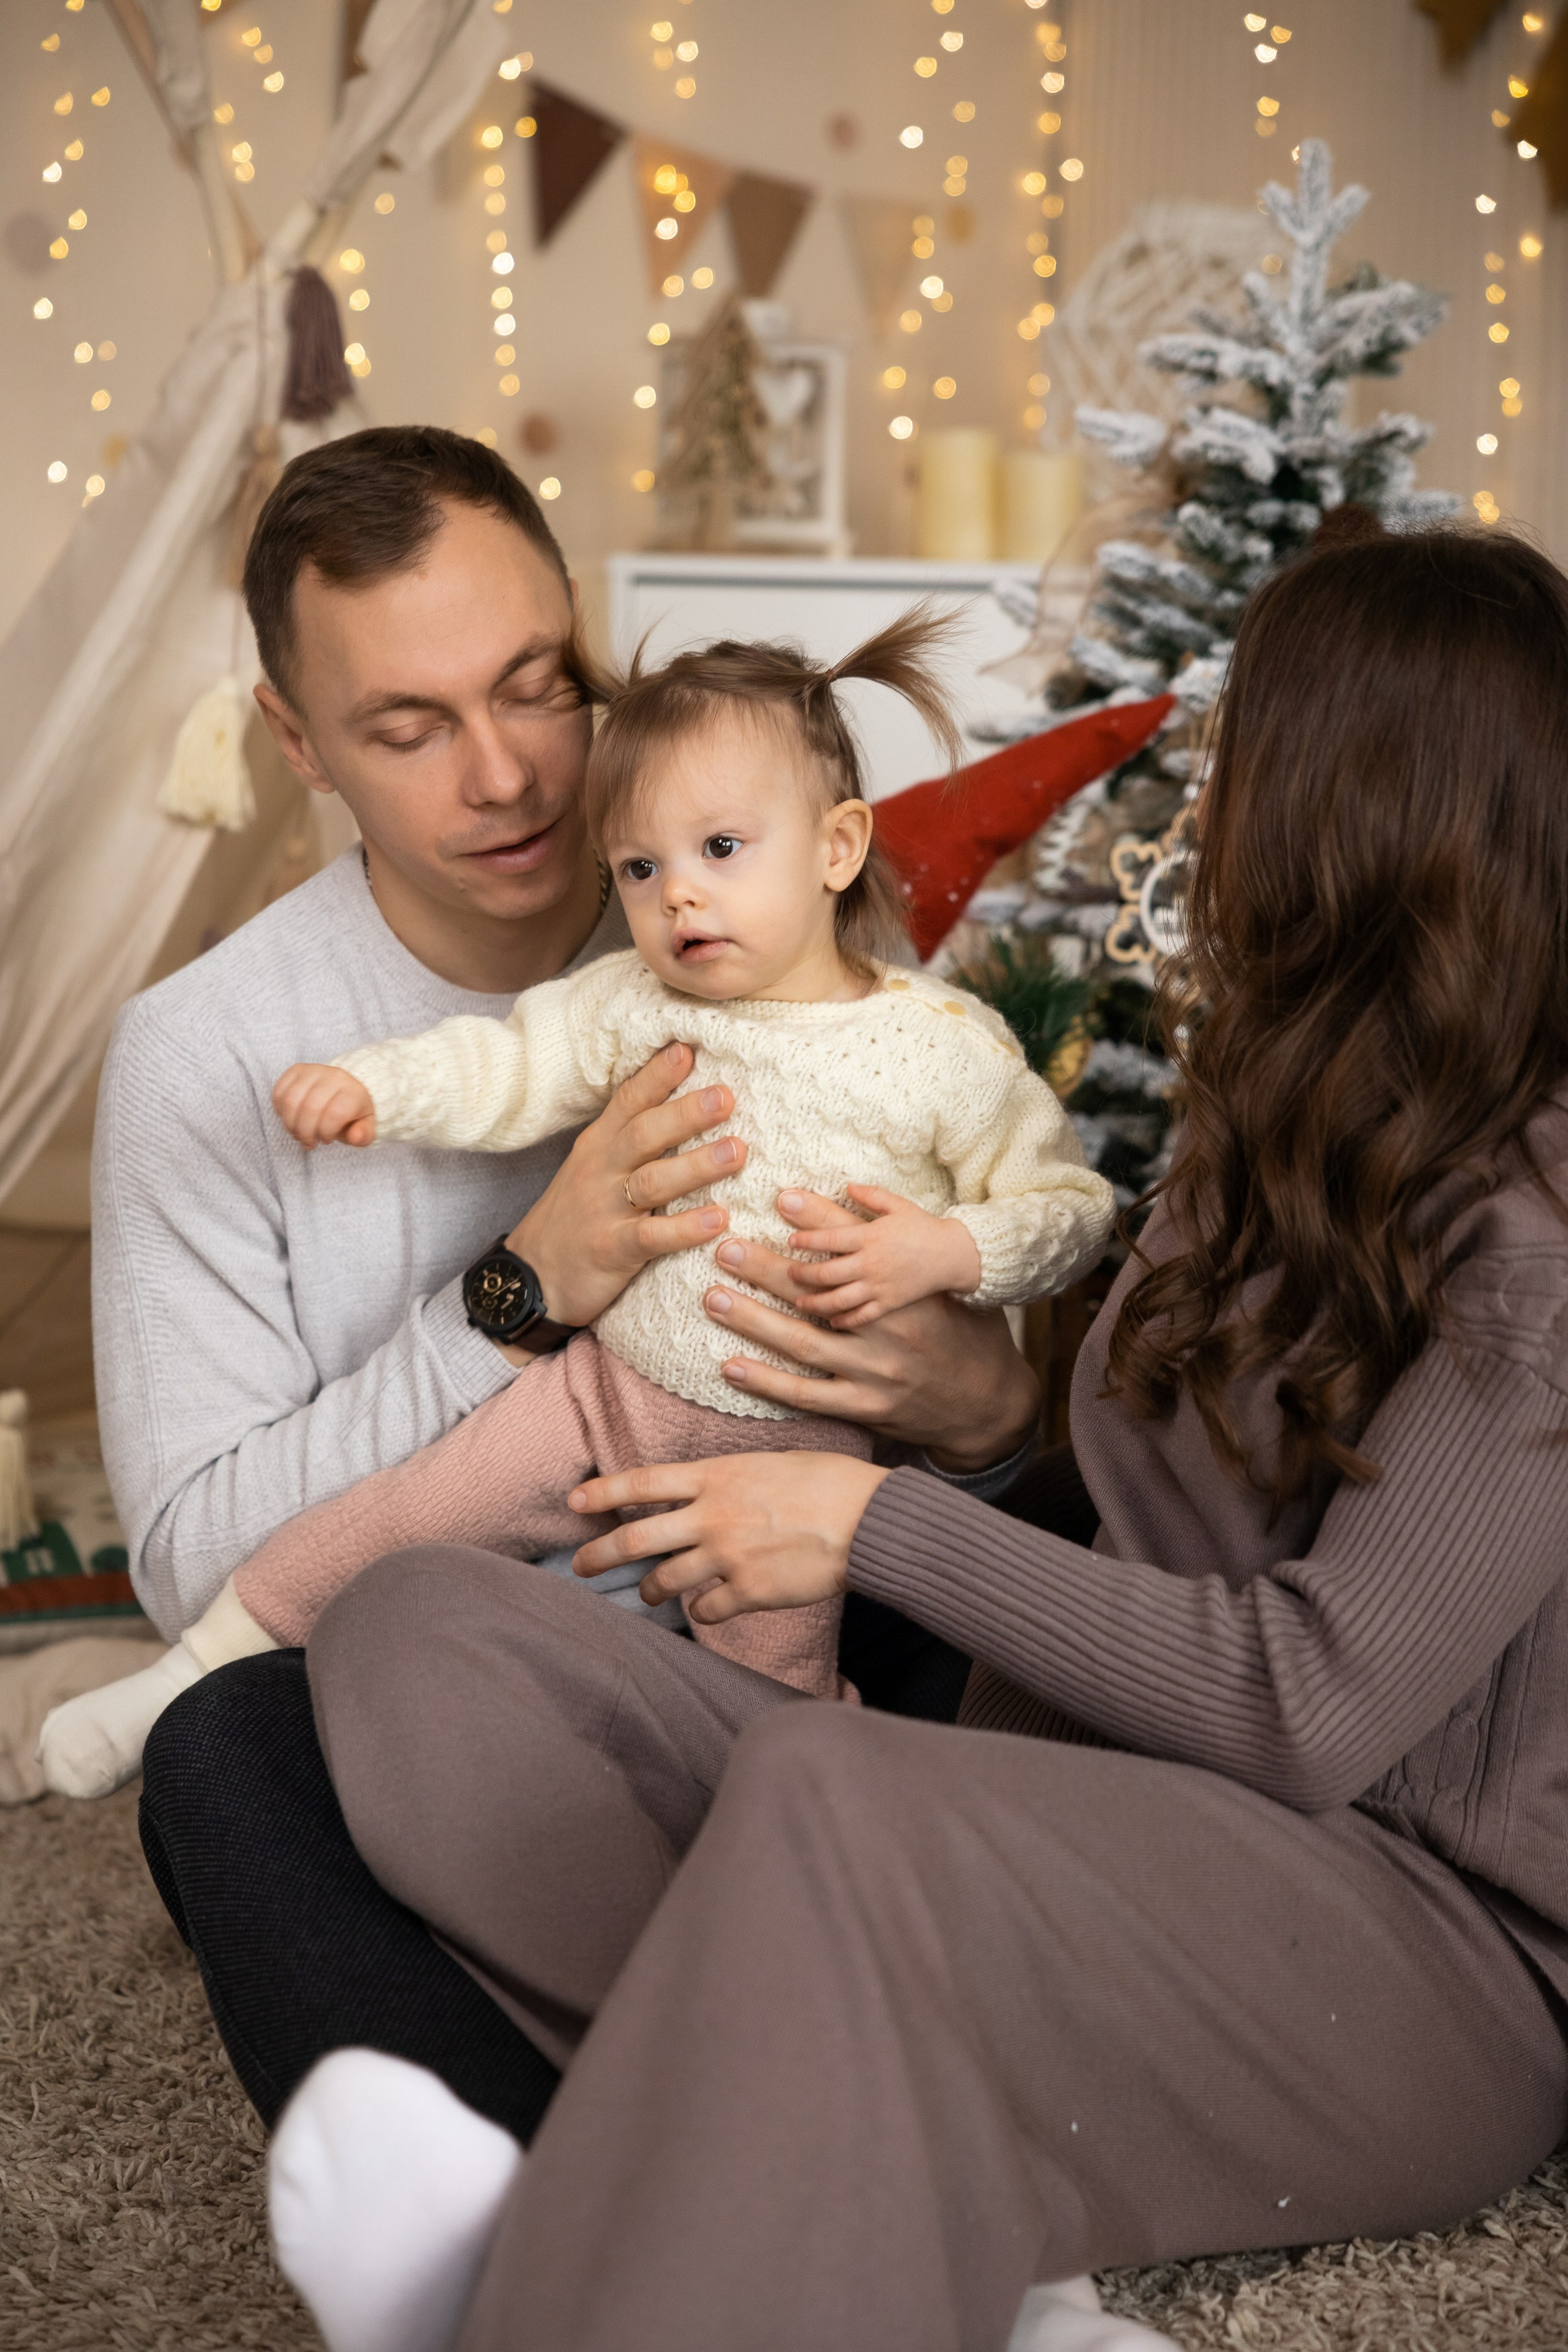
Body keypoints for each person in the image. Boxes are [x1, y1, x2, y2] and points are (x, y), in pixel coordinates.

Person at [251, 517, 1568, 2352]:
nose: (1212, 807)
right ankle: (901, 2219)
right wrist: (917, 1416)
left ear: (1364, 805)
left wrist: (869, 1534)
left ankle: (554, 2277)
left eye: (1249, 754)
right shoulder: (1276, 1107)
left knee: (827, 1791)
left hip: (1417, 1959)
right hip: (1108, 1816)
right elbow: (1116, 1507)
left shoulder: (1541, 1246)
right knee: (419, 1638)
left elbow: (1307, 1709)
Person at [92, 424, 1041, 2119]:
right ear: (297, 743)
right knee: (213, 1765)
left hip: (788, 1597)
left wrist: (983, 1402)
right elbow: (195, 1581)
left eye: (539, 685)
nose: (513, 777)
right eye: (410, 726)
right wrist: (523, 1291)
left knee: (1077, 1557)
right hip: (448, 1700)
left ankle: (888, 2040)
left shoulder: (736, 890)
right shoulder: (204, 1057)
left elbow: (971, 1227)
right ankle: (598, 2180)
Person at [42, 614, 1110, 1786]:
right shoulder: (632, 1001)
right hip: (603, 1397)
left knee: (776, 1706)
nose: (678, 901)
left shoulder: (935, 1047)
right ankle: (184, 1675)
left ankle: (802, 1851)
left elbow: (1067, 1205)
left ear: (838, 845)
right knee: (400, 1517)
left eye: (720, 848)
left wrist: (950, 1252)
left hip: (797, 1455)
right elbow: (503, 1065)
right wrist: (373, 1087)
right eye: (643, 869)